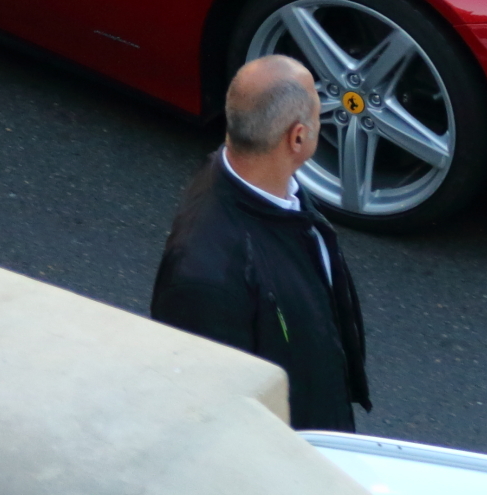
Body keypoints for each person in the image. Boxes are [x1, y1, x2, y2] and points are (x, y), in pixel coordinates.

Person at [149, 55, 370, 430]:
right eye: (318, 116)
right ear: (297, 137)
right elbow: (209, 411)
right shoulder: (203, 275)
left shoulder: (273, 189)